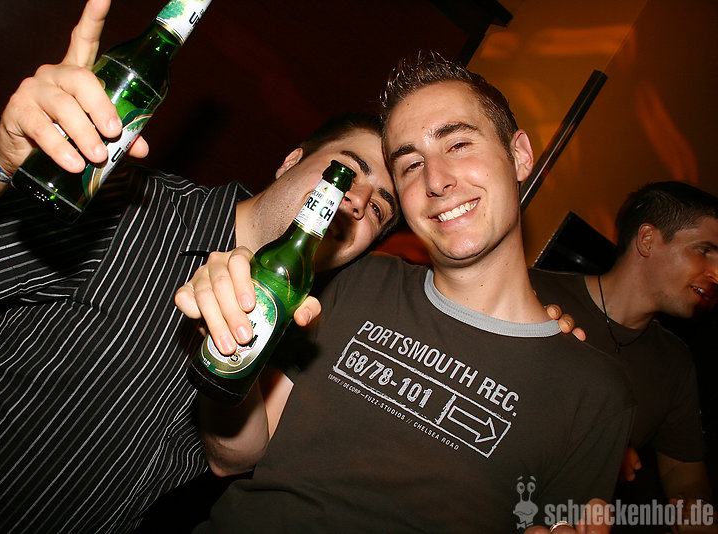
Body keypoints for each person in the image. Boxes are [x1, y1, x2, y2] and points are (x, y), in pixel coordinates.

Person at [0, 1, 402, 532]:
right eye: (345, 171)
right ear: (292, 160)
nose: (356, 201)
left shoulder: (305, 323)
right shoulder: (131, 204)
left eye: (380, 209)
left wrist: (228, 353)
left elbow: (232, 460)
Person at [176, 52, 635, 532]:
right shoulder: (358, 280)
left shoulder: (596, 393)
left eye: (458, 144)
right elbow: (232, 456)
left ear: (519, 156)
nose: (436, 180)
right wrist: (227, 348)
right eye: (411, 164)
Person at [530, 181, 718, 533]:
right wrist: (600, 445)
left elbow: (686, 479)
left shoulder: (676, 363)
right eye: (704, 250)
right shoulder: (531, 291)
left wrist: (696, 512)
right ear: (647, 240)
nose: (717, 274)